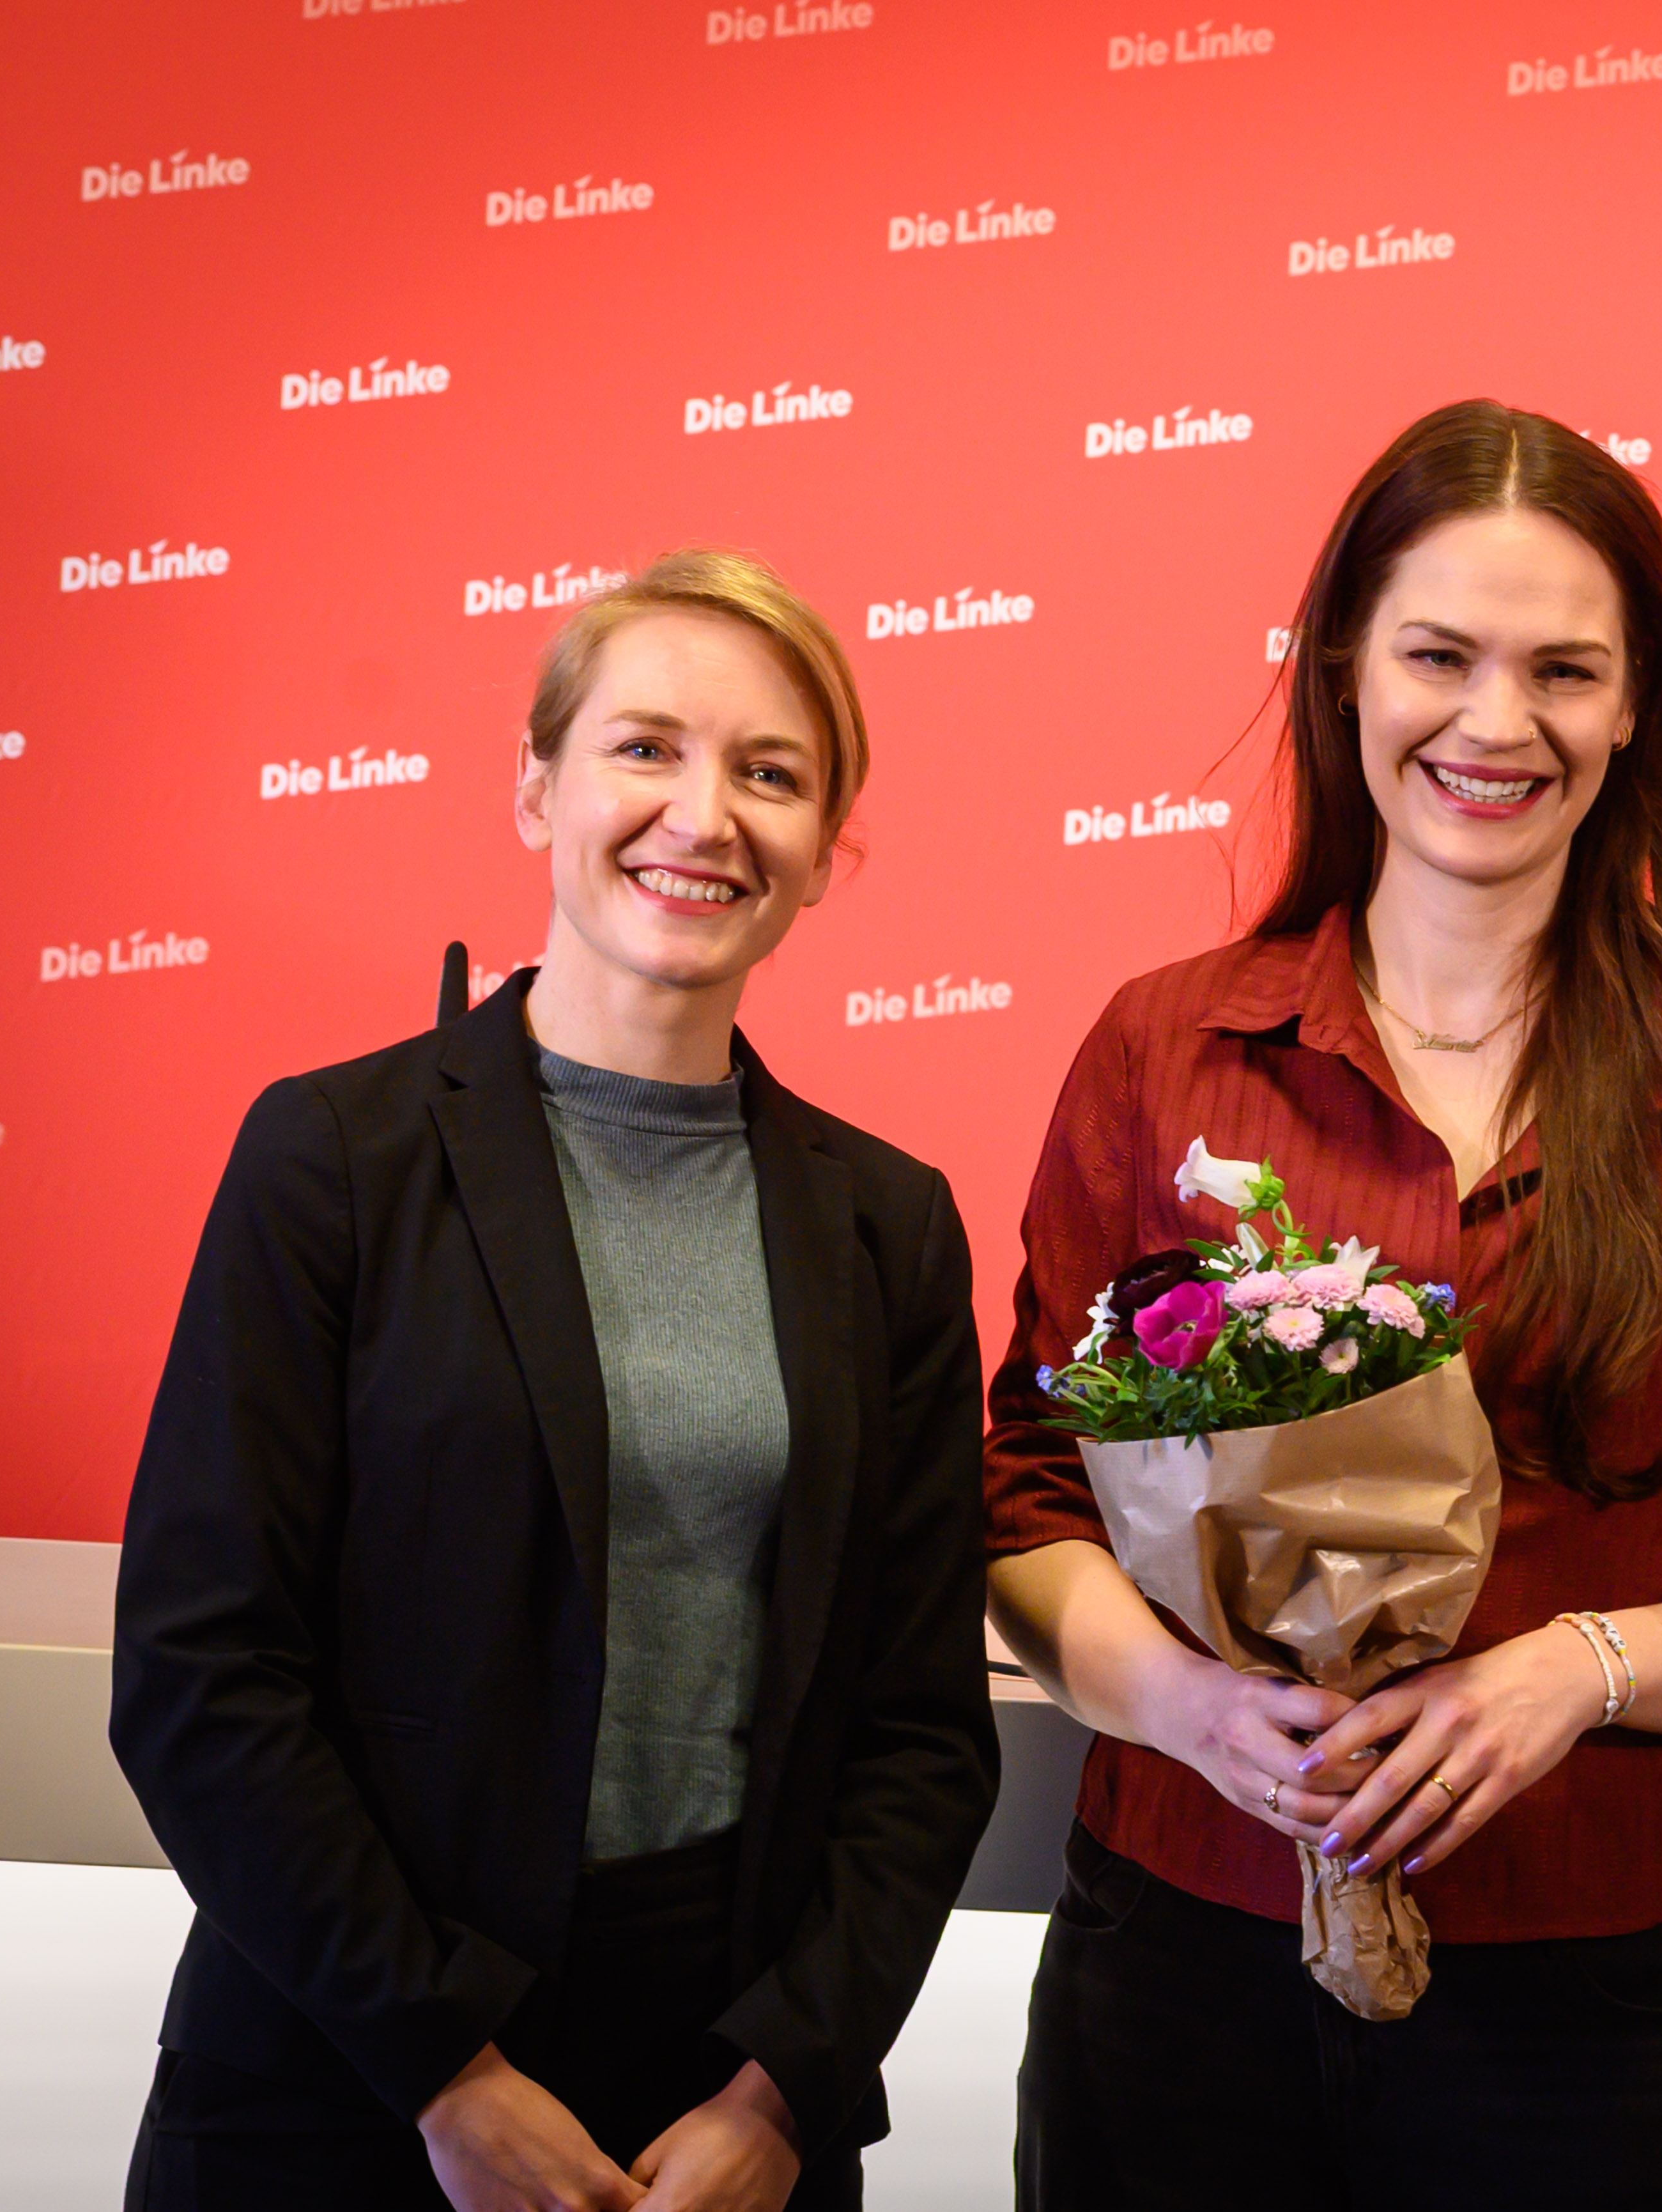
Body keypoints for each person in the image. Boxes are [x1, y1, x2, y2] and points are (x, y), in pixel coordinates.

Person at [983, 400, 1662, 2209]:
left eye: (1564, 669)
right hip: (1184, 1957)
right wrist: (1184, 1708)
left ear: (1639, 703)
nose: (1496, 724)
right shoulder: (1166, 1047)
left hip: (1600, 1983)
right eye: (1438, 656)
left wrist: (1579, 1673)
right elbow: (1024, 1494)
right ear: (1345, 671)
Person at [112, 549, 999, 2212]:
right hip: (343, 2073)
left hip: (719, 2097)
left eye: (771, 773)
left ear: (825, 853)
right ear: (538, 790)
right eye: (645, 746)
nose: (704, 811)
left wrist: (788, 2089)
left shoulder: (889, 1225)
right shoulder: (333, 1160)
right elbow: (200, 1672)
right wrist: (448, 2073)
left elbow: (921, 1732)